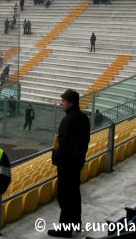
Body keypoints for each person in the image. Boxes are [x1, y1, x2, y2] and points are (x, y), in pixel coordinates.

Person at [49, 89, 90, 238]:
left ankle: (65, 229)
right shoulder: (83, 118)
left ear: (70, 102)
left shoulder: (69, 120)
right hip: (77, 162)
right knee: (74, 193)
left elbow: (63, 144)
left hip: (67, 165)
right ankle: (75, 222)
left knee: (65, 196)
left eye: (63, 101)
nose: (61, 103)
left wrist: (55, 158)